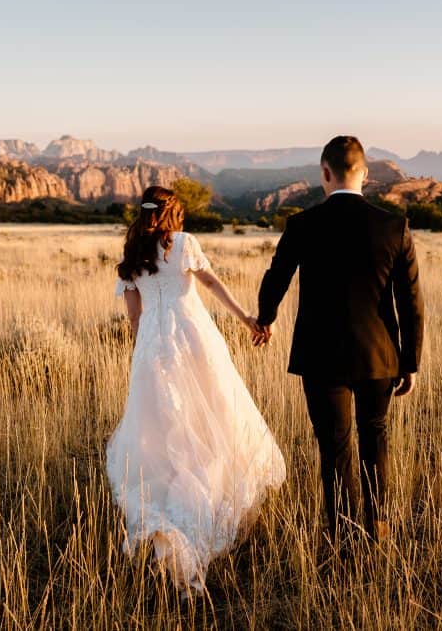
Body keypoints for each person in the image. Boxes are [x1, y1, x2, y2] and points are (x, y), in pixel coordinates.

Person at [107, 185, 286, 594]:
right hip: (194, 340)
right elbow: (211, 283)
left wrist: (144, 357)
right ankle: (200, 507)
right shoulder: (185, 244)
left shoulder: (131, 257)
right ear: (173, 213)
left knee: (164, 428)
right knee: (213, 419)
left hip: (154, 349)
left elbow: (135, 321)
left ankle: (173, 515)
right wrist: (247, 319)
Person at [255, 135, 424, 544]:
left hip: (321, 356)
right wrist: (410, 361)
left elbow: (275, 280)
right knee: (375, 435)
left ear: (325, 173)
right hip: (380, 356)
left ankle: (343, 535)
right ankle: (379, 524)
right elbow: (412, 302)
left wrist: (265, 319)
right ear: (365, 175)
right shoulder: (394, 226)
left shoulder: (302, 225)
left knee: (334, 448)